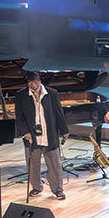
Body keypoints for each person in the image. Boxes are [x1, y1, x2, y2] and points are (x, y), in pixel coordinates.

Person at [15, 71, 70, 201]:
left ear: (39, 81)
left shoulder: (51, 93)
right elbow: (19, 117)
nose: (32, 85)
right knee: (32, 164)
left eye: (35, 82)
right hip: (31, 136)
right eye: (30, 83)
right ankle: (37, 187)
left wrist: (64, 130)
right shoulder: (21, 95)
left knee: (54, 164)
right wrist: (25, 132)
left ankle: (57, 189)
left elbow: (58, 113)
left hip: (49, 134)